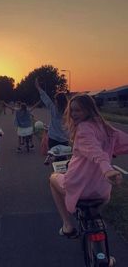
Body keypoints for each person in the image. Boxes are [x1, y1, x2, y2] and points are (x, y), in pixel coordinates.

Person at [49, 94, 128, 241]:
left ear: (89, 110)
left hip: (78, 187)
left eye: (78, 110)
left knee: (53, 178)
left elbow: (96, 152)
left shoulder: (83, 129)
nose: (73, 114)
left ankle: (67, 225)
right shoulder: (106, 128)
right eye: (71, 110)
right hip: (101, 191)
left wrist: (107, 169)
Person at [35, 78, 69, 150]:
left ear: (56, 101)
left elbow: (45, 98)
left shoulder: (53, 109)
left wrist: (38, 87)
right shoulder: (69, 111)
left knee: (52, 156)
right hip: (65, 139)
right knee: (63, 158)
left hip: (53, 137)